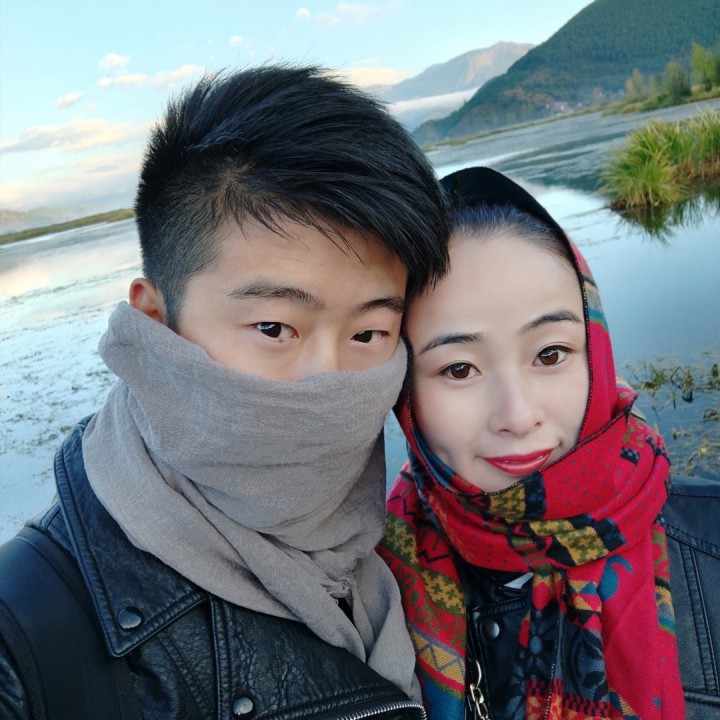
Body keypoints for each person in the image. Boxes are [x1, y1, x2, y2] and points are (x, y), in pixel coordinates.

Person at [0, 65, 449, 718]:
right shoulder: (23, 642)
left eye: (369, 332)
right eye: (274, 328)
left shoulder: (419, 549)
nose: (328, 380)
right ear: (156, 323)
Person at [379, 166, 720, 720]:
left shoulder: (712, 544)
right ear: (405, 392)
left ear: (596, 353)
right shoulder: (369, 593)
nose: (518, 416)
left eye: (550, 354)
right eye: (459, 368)